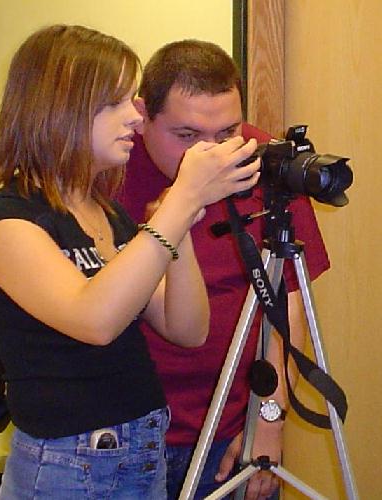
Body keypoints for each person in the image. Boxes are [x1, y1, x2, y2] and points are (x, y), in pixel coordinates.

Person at [0, 26, 261, 500]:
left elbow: (187, 328)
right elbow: (96, 320)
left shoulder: (105, 211)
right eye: (116, 103)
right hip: (69, 463)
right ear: (59, 108)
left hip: (140, 450)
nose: (135, 117)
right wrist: (179, 204)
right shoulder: (9, 220)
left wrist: (181, 221)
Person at [119, 40, 330, 499]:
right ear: (142, 116)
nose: (212, 155)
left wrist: (269, 420)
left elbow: (287, 309)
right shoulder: (109, 163)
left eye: (226, 132)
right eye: (187, 136)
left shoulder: (266, 163)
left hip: (231, 430)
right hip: (125, 431)